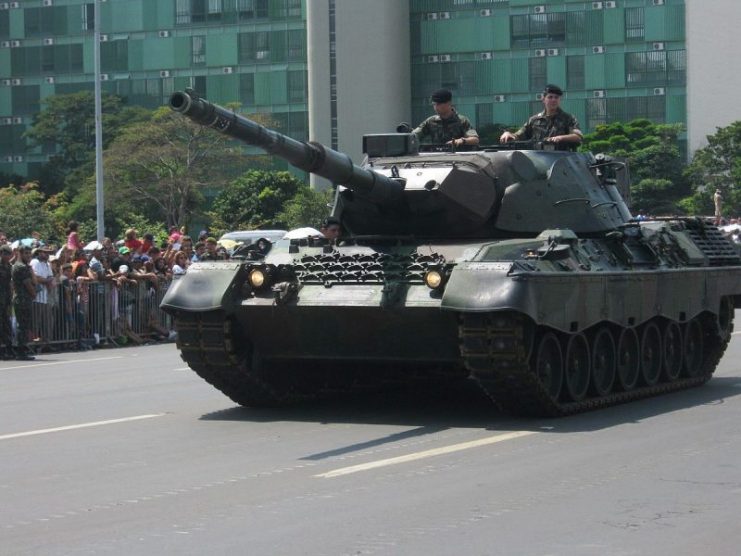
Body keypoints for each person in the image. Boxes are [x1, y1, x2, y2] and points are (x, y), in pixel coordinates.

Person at [500, 84, 583, 149]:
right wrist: (508, 134)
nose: (553, 100)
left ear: (559, 100)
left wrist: (560, 138)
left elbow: (578, 137)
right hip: (539, 159)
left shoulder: (568, 118)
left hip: (561, 160)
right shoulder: (534, 120)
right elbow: (519, 136)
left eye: (556, 97)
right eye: (550, 97)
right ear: (543, 99)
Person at [413, 89, 479, 148]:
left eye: (438, 104)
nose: (435, 107)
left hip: (458, 157)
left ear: (449, 103)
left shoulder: (462, 120)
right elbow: (414, 136)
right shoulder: (431, 121)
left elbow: (475, 139)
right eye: (434, 104)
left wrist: (461, 141)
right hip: (437, 157)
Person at [12, 245, 37, 360]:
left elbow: (35, 281)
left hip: (24, 299)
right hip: (22, 299)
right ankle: (20, 351)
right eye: (26, 253)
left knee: (24, 325)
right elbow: (28, 284)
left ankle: (22, 349)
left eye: (29, 253)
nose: (28, 255)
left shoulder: (25, 266)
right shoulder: (20, 267)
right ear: (20, 254)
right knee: (22, 326)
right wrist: (33, 294)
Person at [0, 244, 13, 359]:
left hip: (6, 299)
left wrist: (10, 298)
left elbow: (9, 283)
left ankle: (8, 349)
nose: (8, 256)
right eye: (6, 254)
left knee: (6, 325)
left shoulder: (9, 266)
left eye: (9, 254)